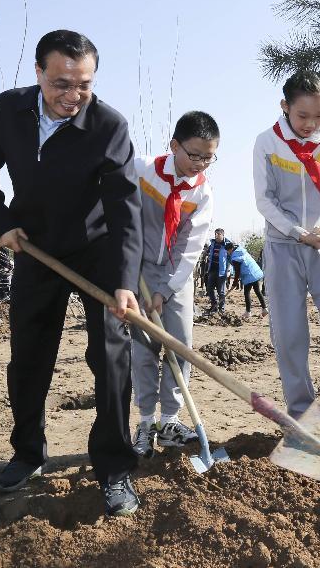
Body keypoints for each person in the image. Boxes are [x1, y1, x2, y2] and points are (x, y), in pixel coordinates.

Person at [0, 30, 143, 517]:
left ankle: (113, 467)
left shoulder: (108, 126)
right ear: (39, 72)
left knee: (111, 360)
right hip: (35, 249)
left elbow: (125, 209)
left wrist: (124, 281)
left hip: (97, 252)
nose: (73, 96)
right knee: (28, 356)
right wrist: (1, 226)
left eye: (83, 85)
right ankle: (27, 453)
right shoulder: (9, 110)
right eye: (61, 83)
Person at [253, 69, 320, 417]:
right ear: (284, 107)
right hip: (284, 245)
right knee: (290, 335)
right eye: (302, 115)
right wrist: (299, 233)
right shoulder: (267, 142)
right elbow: (265, 201)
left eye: (319, 115)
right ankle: (301, 415)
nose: (311, 124)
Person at [129, 111, 218, 458]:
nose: (199, 164)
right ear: (175, 145)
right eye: (193, 155)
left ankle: (169, 421)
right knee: (144, 347)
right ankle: (146, 422)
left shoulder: (202, 194)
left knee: (180, 346)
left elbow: (190, 249)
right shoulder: (141, 170)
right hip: (136, 270)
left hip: (175, 275)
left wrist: (167, 290)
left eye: (208, 158)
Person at [227, 242, 267, 319]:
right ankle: (264, 309)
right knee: (258, 291)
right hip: (255, 272)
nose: (228, 253)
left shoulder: (235, 258)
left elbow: (237, 272)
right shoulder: (241, 250)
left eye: (228, 251)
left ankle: (248, 312)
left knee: (246, 293)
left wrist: (234, 284)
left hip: (249, 275)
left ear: (231, 249)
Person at [203, 228, 232, 313]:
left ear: (223, 235)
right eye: (216, 234)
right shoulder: (212, 243)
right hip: (212, 269)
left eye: (219, 234)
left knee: (221, 291)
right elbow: (207, 252)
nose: (217, 236)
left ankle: (221, 309)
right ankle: (214, 306)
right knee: (209, 289)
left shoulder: (227, 245)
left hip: (222, 271)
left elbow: (230, 258)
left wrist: (229, 270)